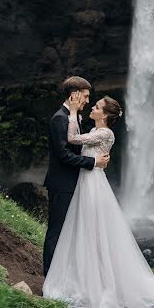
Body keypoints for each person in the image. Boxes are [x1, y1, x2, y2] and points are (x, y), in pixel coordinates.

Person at [42, 92, 154, 308]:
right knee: (85, 228)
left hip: (92, 186)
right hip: (87, 182)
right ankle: (86, 274)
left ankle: (100, 281)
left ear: (105, 115)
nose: (92, 106)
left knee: (94, 229)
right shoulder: (95, 131)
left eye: (97, 106)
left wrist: (72, 112)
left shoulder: (104, 133)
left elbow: (71, 139)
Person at [43, 76, 110, 276]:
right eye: (86, 96)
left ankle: (64, 276)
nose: (88, 101)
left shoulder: (72, 117)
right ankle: (49, 280)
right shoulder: (60, 119)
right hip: (62, 184)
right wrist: (93, 162)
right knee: (57, 232)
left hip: (74, 183)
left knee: (69, 232)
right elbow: (63, 155)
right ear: (75, 94)